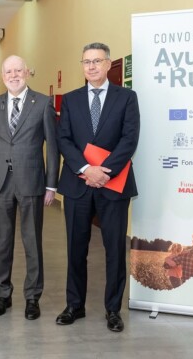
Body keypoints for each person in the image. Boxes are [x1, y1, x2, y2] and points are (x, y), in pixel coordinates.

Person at [55, 42, 140, 332]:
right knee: (76, 248)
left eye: (97, 61)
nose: (91, 66)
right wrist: (85, 169)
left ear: (107, 65)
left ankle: (113, 309)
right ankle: (74, 305)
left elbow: (129, 139)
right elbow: (63, 138)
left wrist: (105, 172)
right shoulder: (70, 99)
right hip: (78, 183)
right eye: (86, 61)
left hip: (113, 184)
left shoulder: (127, 97)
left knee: (115, 248)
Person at [0, 55, 59, 320]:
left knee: (32, 242)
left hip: (32, 182)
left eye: (18, 70)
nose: (13, 75)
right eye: (8, 71)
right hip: (0, 183)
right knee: (2, 243)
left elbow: (53, 145)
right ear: (2, 75)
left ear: (27, 72)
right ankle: (2, 295)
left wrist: (51, 184)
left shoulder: (43, 103)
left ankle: (32, 298)